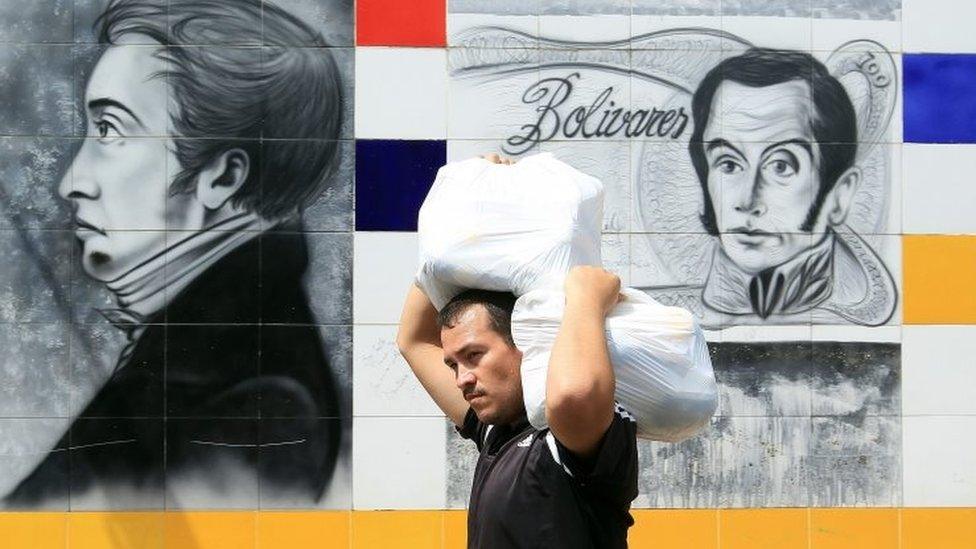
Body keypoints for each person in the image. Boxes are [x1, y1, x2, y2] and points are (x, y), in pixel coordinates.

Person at [5, 0, 343, 506]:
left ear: (223, 177)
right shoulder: (208, 357)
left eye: (110, 130)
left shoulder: (257, 403)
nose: (73, 182)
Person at [398, 251, 638, 547]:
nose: (462, 379)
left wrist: (586, 297)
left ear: (526, 343)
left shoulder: (566, 438)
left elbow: (574, 394)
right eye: (453, 364)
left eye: (474, 355)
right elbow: (414, 341)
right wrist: (448, 248)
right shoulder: (493, 431)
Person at [644, 48, 896, 326]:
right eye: (729, 164)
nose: (748, 200)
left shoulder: (848, 327)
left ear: (840, 195)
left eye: (781, 166)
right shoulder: (656, 322)